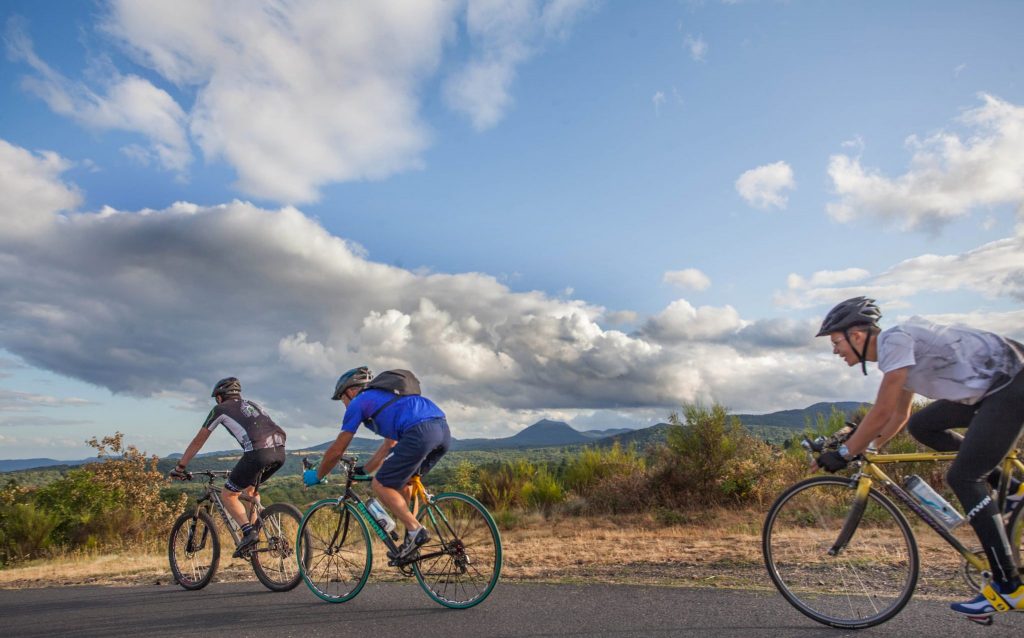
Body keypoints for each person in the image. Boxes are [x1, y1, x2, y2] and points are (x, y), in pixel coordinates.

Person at [812, 296, 1024, 619]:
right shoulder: (898, 355)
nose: (834, 351)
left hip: (1010, 382)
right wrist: (867, 450)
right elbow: (898, 415)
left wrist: (845, 452)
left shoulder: (894, 341)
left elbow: (882, 409)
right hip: (993, 385)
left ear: (856, 336)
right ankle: (1012, 488)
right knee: (922, 425)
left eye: (836, 342)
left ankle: (1009, 587)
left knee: (963, 477)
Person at [305, 366, 451, 560]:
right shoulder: (389, 399)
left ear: (350, 391)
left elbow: (338, 449)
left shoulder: (359, 402)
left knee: (380, 484)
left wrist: (318, 475)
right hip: (442, 430)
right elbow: (389, 445)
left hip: (419, 433)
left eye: (342, 400)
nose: (344, 405)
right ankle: (410, 542)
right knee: (405, 483)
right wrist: (364, 470)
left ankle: (416, 530)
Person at [170, 377, 287, 556]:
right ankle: (256, 539)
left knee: (229, 494)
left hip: (258, 453)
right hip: (280, 451)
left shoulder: (219, 409)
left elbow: (198, 441)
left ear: (219, 397)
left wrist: (180, 467)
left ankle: (249, 533)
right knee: (250, 492)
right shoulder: (252, 404)